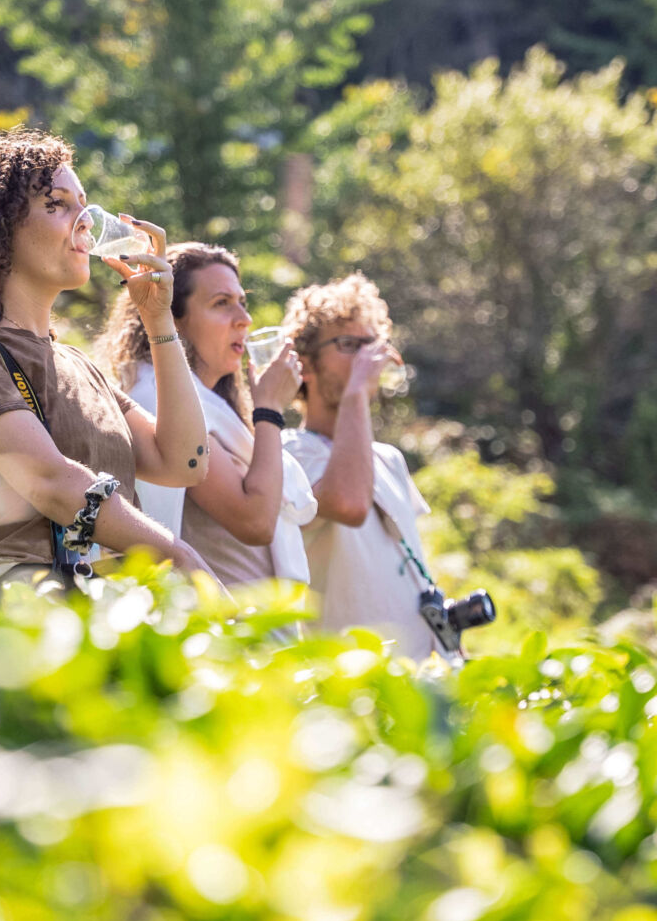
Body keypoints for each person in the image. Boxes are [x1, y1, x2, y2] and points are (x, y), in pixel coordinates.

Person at [0, 131, 215, 599]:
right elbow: (50, 481)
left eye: (84, 204)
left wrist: (158, 320)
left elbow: (184, 462)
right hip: (35, 605)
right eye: (57, 204)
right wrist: (178, 555)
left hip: (119, 604)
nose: (86, 223)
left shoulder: (76, 363)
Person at [99, 243, 315, 589]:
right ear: (174, 318)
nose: (244, 319)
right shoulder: (158, 402)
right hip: (221, 627)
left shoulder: (216, 407)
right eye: (222, 304)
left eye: (242, 303)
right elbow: (255, 522)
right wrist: (270, 409)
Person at [281, 273, 437, 659]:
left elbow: (411, 566)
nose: (368, 358)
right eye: (349, 345)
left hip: (426, 677)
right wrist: (356, 394)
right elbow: (348, 503)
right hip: (355, 684)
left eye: (372, 345)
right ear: (305, 365)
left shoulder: (388, 459)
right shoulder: (287, 454)